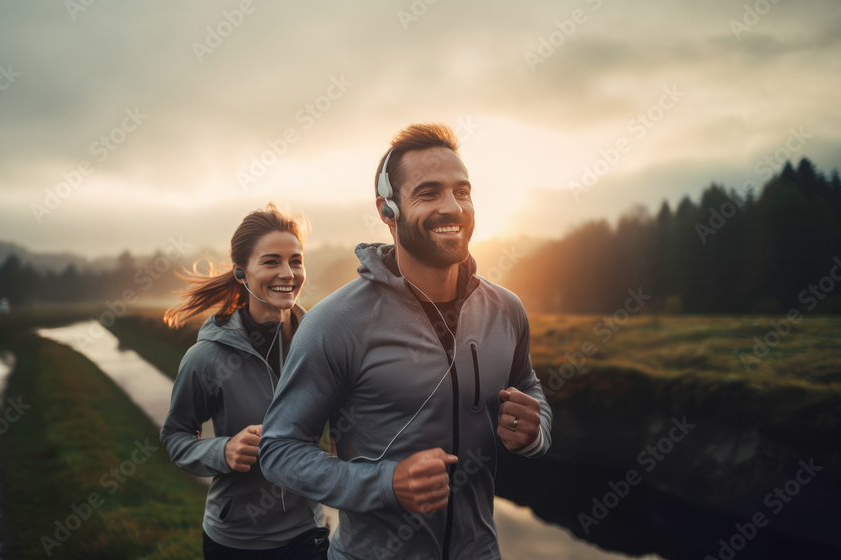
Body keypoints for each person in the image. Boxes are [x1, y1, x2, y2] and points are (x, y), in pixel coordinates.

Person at [260, 124, 553, 559]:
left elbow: (529, 387)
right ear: (387, 209)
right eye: (429, 193)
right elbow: (279, 450)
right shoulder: (335, 323)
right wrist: (383, 483)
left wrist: (535, 433)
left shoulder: (506, 309)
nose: (452, 207)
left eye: (462, 191)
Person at [160, 204, 329, 559]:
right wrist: (223, 450)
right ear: (241, 273)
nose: (288, 273)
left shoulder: (320, 345)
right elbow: (175, 437)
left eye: (295, 261)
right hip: (235, 542)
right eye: (271, 262)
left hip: (308, 533)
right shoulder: (206, 357)